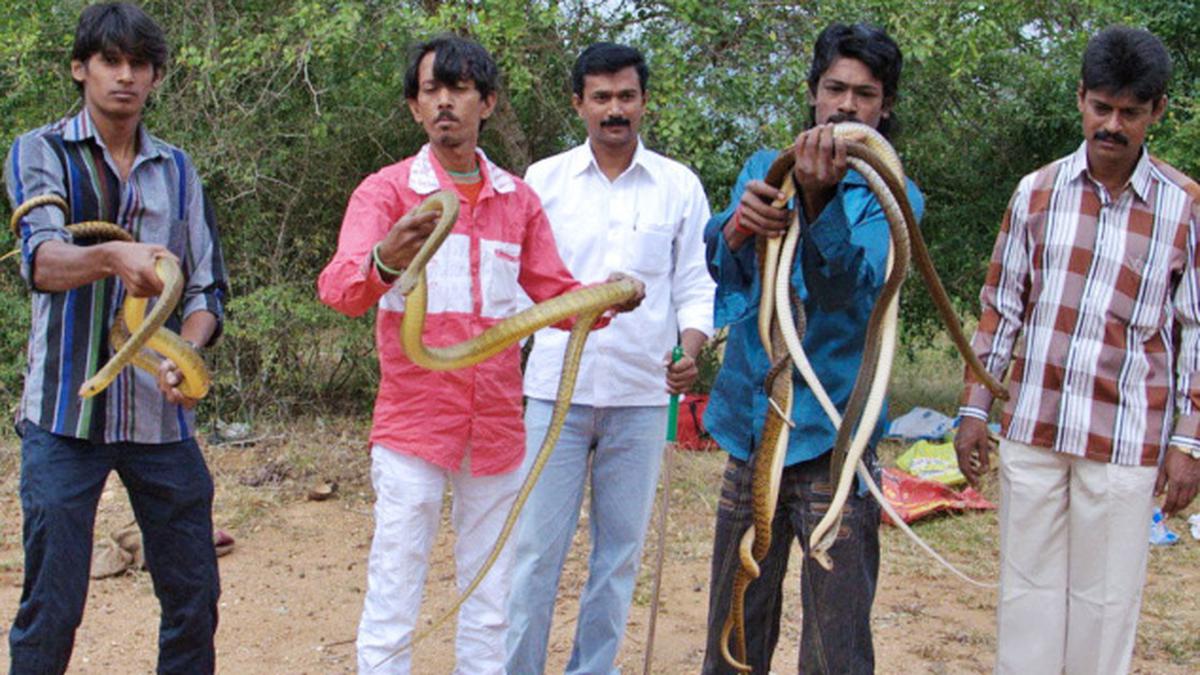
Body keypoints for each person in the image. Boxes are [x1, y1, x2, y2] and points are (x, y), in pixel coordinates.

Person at [316, 35, 642, 674]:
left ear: (486, 102)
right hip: (413, 423)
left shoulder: (516, 200)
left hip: (494, 426)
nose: (445, 103)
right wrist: (386, 258)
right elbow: (340, 288)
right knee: (395, 585)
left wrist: (613, 295)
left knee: (490, 595)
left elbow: (556, 291)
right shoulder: (386, 193)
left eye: (460, 89)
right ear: (414, 108)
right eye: (431, 90)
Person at [954, 26, 1200, 675]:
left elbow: (1197, 331)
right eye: (1101, 107)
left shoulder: (1184, 208)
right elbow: (1000, 309)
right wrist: (973, 408)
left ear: (1157, 112)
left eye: (1130, 112)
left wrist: (1189, 441)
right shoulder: (1036, 192)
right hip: (1035, 427)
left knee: (1105, 607)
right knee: (1026, 597)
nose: (1112, 126)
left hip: (1125, 440)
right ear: (1080, 98)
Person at [4, 3, 227, 673]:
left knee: (194, 597)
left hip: (161, 424)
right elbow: (40, 261)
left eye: (139, 64)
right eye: (110, 62)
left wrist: (182, 354)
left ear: (156, 76)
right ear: (81, 69)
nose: (125, 76)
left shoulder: (179, 170)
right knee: (53, 604)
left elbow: (207, 291)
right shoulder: (39, 151)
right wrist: (112, 257)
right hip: (65, 418)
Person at [699, 23, 924, 674]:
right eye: (835, 89)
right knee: (735, 632)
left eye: (865, 94)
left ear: (885, 107)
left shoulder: (898, 197)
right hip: (753, 434)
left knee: (836, 647)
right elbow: (724, 268)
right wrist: (738, 228)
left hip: (836, 451)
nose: (847, 107)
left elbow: (845, 299)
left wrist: (820, 201)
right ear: (813, 94)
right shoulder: (762, 168)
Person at [504, 43, 716, 674]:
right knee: (537, 550)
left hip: (643, 396)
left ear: (644, 102)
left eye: (627, 96)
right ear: (579, 105)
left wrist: (691, 351)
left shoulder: (679, 186)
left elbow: (697, 284)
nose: (615, 109)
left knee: (618, 554)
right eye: (601, 97)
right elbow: (516, 286)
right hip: (553, 393)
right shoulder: (542, 181)